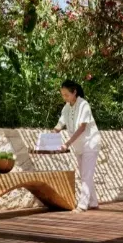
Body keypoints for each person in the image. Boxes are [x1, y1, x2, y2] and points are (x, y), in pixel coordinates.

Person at [53, 80, 102, 213]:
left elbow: (82, 127)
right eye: (62, 95)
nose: (64, 97)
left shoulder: (84, 104)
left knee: (86, 175)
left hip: (90, 143)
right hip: (79, 146)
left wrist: (67, 143)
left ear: (74, 92)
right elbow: (59, 125)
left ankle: (82, 205)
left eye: (66, 94)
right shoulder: (66, 107)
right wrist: (49, 137)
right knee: (86, 174)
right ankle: (93, 202)